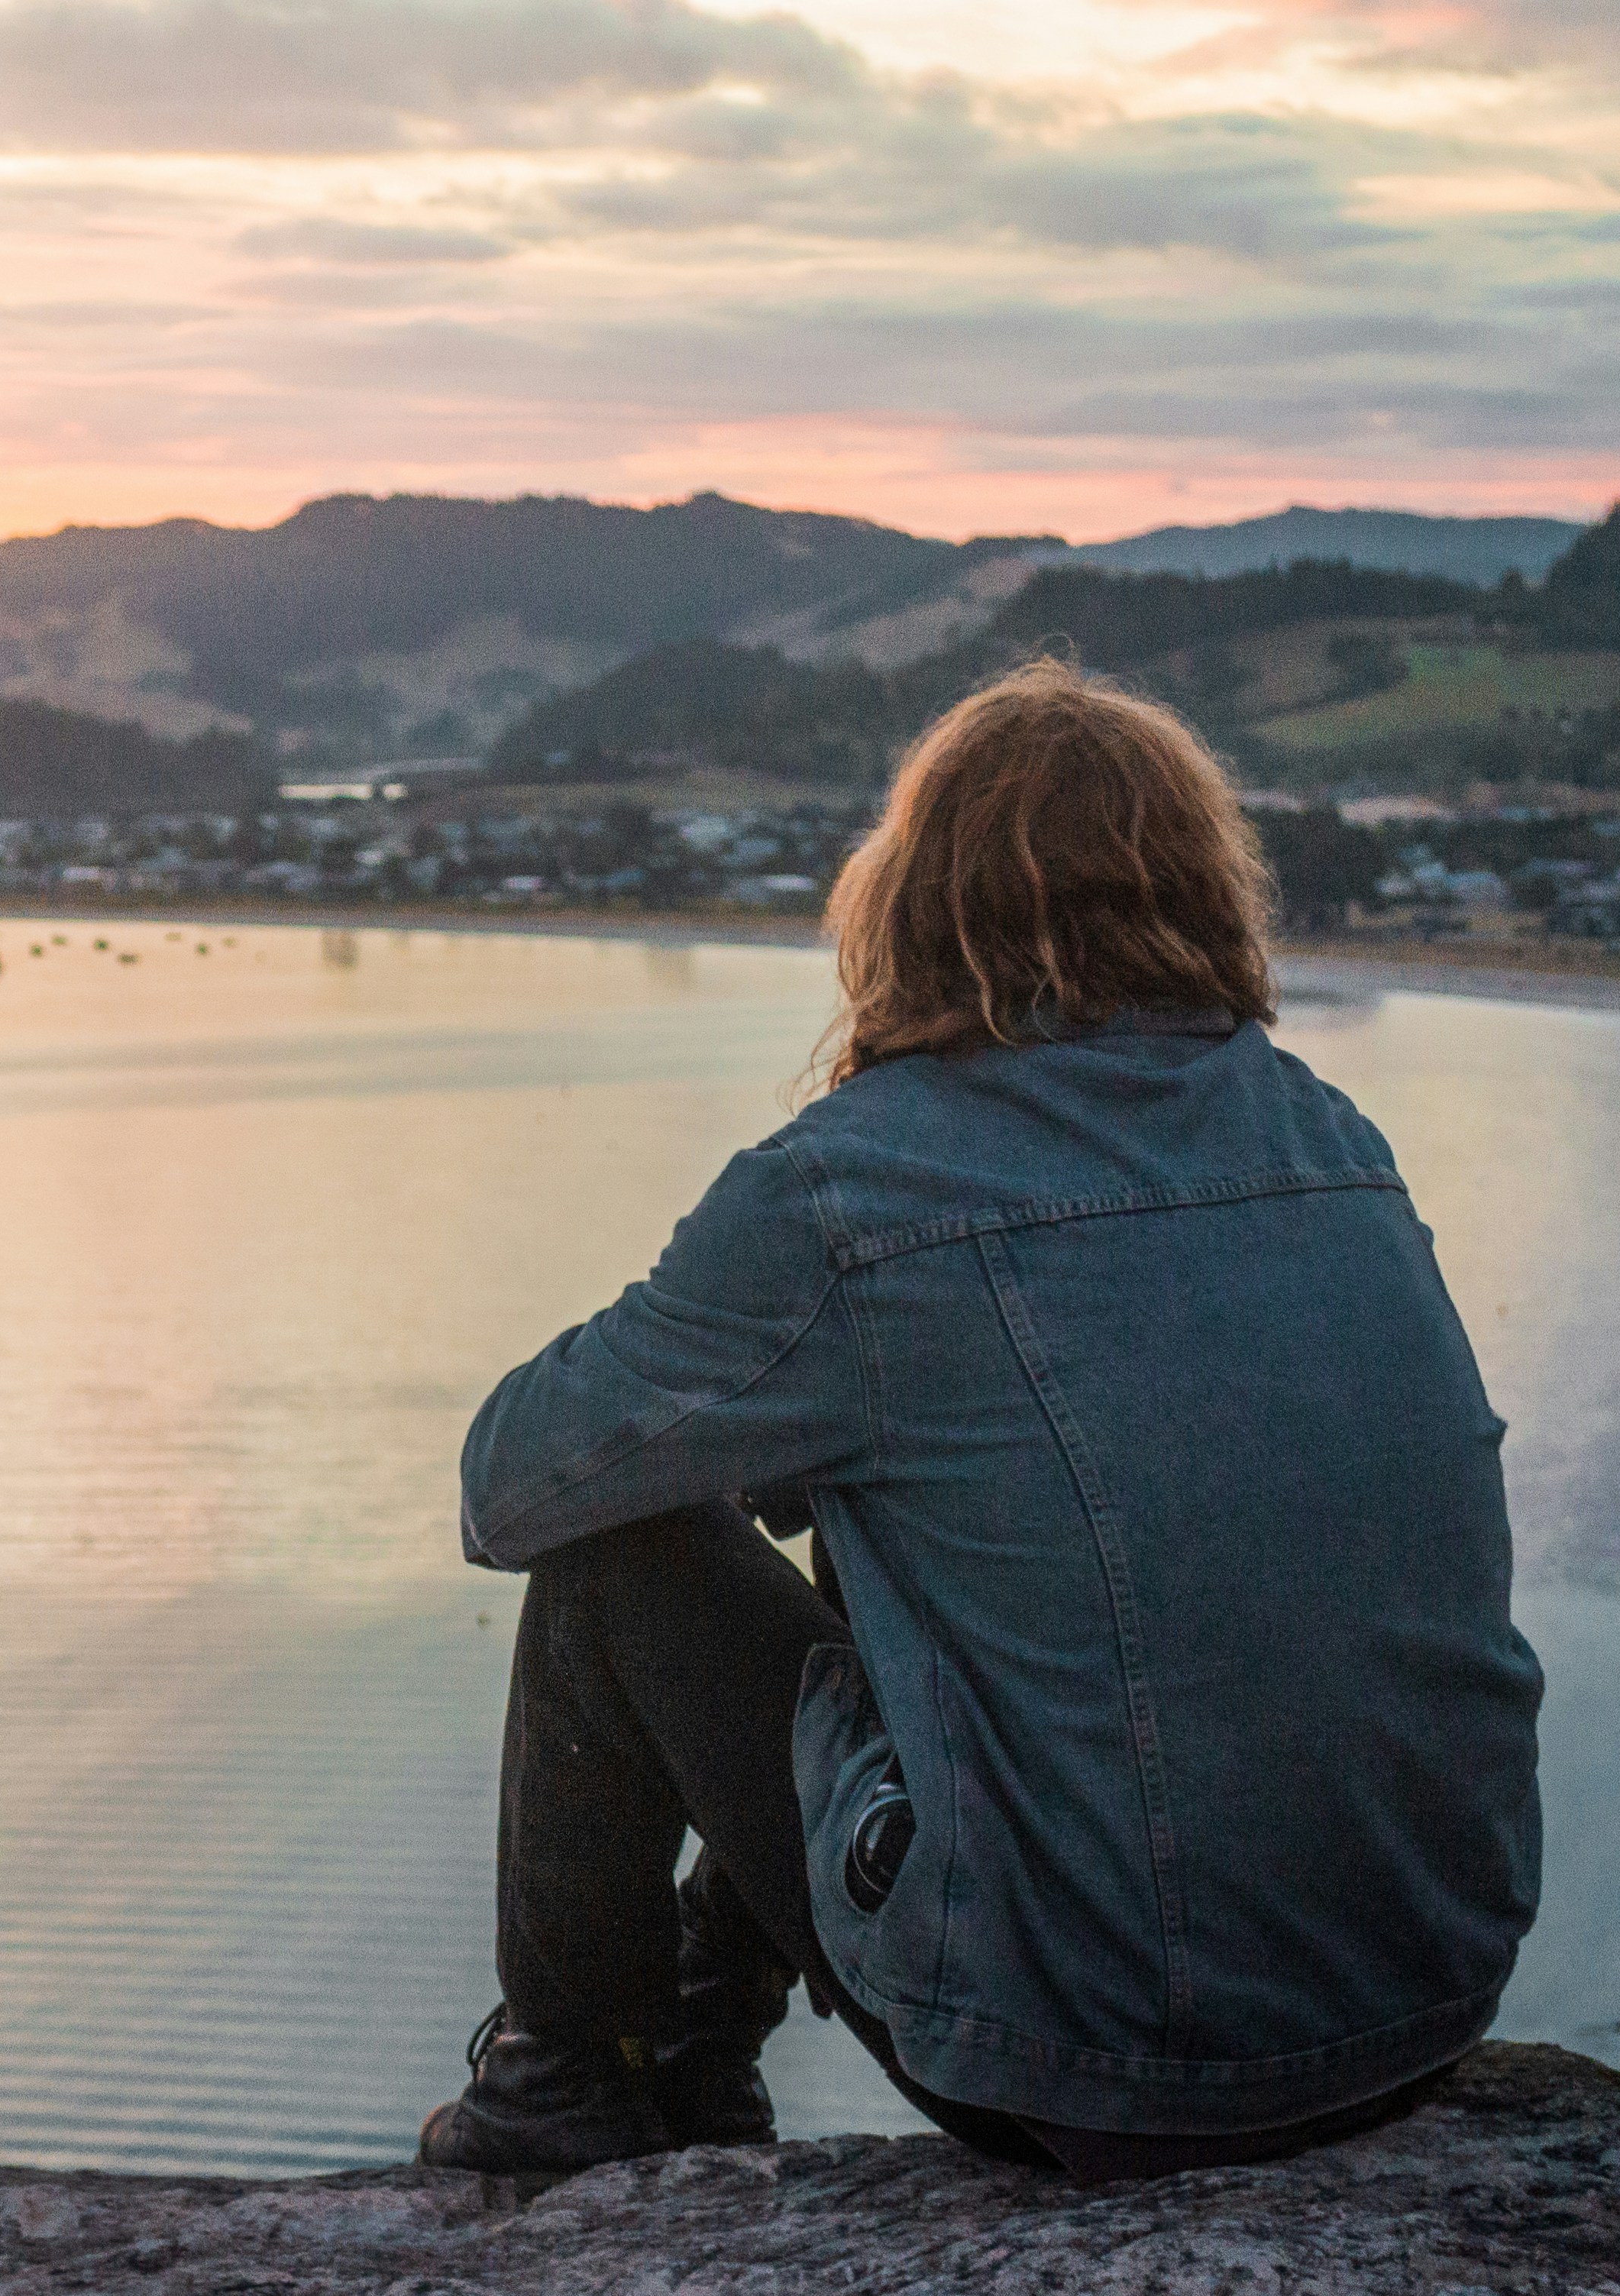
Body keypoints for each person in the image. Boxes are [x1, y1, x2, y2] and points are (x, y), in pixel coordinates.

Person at [421, 660, 1543, 2184]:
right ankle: (692, 2031)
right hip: (1413, 2008)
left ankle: (569, 2085)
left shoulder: (850, 1191)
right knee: (913, 1507)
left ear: (908, 904)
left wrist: (772, 1426)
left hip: (1107, 2059)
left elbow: (511, 1489)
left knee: (622, 1556)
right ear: (1207, 891)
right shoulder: (1329, 1138)